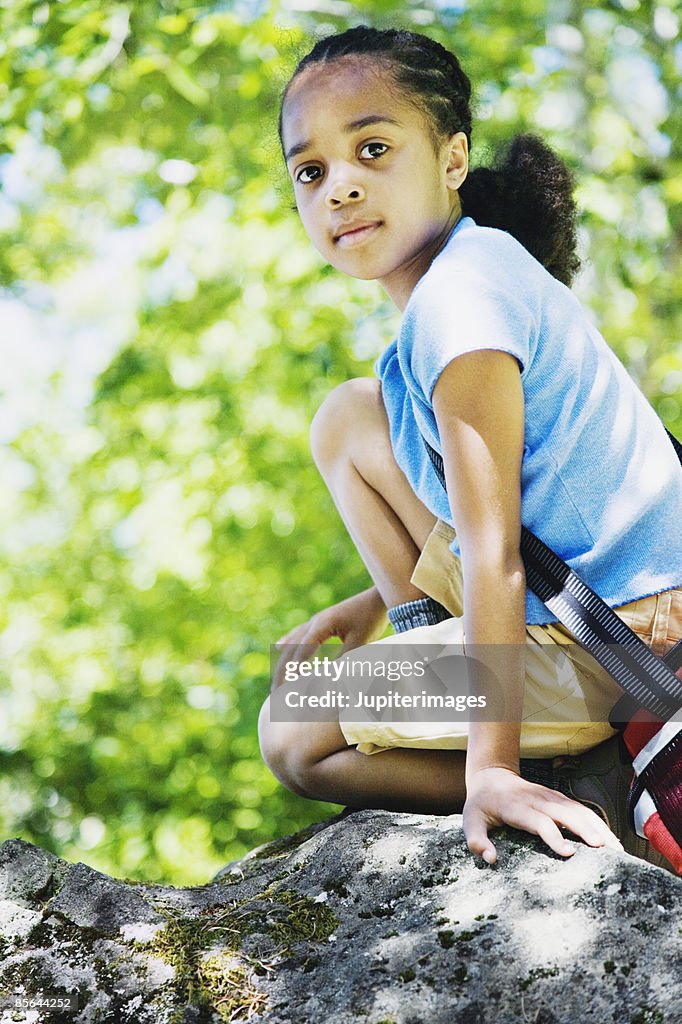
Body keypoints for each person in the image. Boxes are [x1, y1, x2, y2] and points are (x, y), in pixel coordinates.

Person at [257, 25, 682, 866]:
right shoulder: (470, 277)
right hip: (581, 613)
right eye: (311, 171)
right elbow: (505, 514)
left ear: (452, 160)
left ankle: (557, 772)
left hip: (620, 654)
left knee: (292, 724)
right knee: (348, 418)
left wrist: (489, 773)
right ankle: (442, 668)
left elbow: (495, 555)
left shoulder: (460, 303)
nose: (339, 186)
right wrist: (373, 607)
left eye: (372, 148)